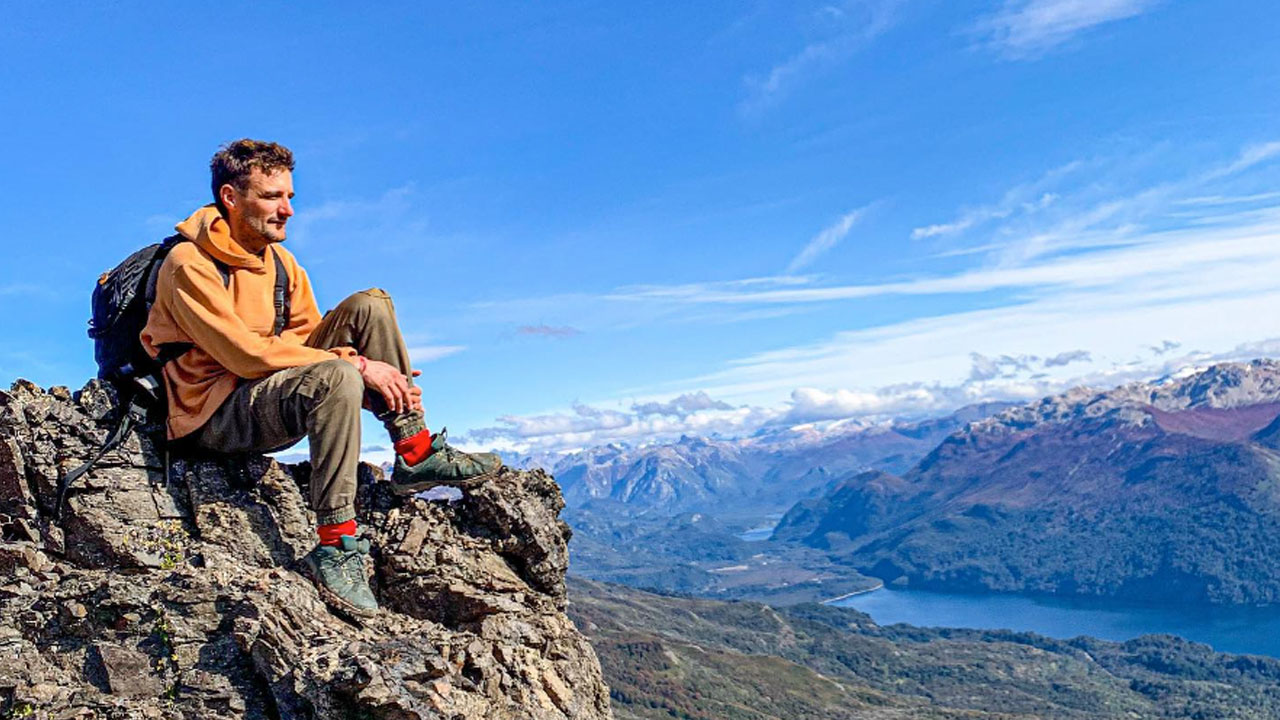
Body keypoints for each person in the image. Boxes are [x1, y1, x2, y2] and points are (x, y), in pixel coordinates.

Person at [141, 139, 501, 617]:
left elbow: (309, 337)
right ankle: (335, 545)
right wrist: (356, 366)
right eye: (272, 196)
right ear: (230, 197)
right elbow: (245, 355)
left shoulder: (281, 264)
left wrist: (368, 362)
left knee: (369, 305)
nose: (287, 209)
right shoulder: (189, 265)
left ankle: (416, 453)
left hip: (264, 392)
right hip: (212, 416)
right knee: (336, 377)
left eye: (290, 196)